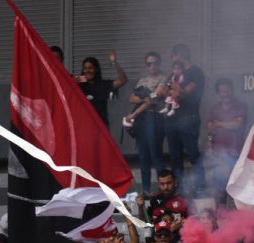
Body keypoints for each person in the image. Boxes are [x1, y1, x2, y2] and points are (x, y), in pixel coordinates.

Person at [165, 44, 206, 196]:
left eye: (173, 56)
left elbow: (187, 93)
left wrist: (175, 90)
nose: (172, 60)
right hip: (172, 118)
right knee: (175, 156)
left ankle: (202, 187)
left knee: (193, 153)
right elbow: (165, 91)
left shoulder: (195, 72)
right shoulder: (173, 74)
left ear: (180, 56)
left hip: (188, 117)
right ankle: (180, 189)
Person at [128, 52, 167, 192]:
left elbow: (154, 98)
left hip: (155, 117)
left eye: (155, 63)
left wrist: (134, 113)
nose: (152, 66)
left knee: (155, 155)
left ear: (160, 63)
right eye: (149, 63)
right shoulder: (143, 79)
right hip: (142, 119)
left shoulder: (164, 77)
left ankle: (164, 189)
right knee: (143, 156)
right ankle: (146, 191)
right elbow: (132, 98)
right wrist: (143, 99)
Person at [206, 78, 247, 204]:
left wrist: (218, 123)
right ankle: (222, 216)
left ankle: (238, 217)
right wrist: (221, 125)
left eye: (227, 90)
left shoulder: (240, 106)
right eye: (222, 91)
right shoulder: (214, 109)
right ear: (218, 93)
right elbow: (209, 128)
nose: (225, 93)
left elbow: (237, 125)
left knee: (237, 186)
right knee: (220, 187)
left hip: (236, 152)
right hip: (218, 154)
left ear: (232, 90)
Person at [76, 52, 128, 128]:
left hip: (101, 127)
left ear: (96, 69)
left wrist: (114, 63)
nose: (88, 71)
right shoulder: (78, 87)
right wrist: (74, 82)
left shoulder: (103, 85)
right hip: (83, 127)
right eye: (85, 68)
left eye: (90, 68)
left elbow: (123, 80)